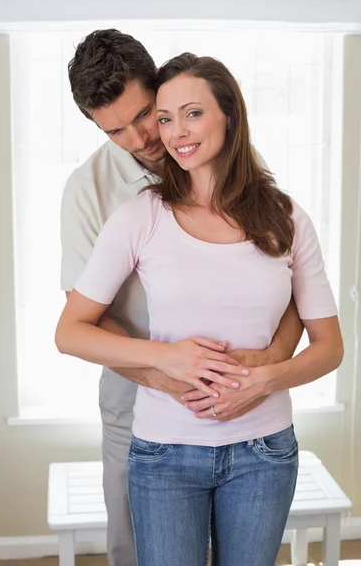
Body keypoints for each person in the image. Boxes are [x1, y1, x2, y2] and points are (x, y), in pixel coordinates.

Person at [57, 48, 343, 565]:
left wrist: (270, 366)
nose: (147, 138)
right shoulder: (113, 203)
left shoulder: (277, 207)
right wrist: (168, 364)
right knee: (131, 548)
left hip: (262, 441)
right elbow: (79, 322)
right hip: (149, 414)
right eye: (117, 131)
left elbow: (293, 301)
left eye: (150, 116)